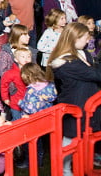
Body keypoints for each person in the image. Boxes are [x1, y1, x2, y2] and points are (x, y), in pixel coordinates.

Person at [47, 22, 101, 176]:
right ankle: (63, 170)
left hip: (89, 104)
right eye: (85, 37)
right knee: (70, 139)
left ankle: (84, 165)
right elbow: (96, 74)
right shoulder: (66, 63)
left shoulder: (83, 54)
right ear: (74, 38)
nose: (87, 40)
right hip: (76, 106)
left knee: (85, 138)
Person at [0, 47, 31, 121]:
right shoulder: (11, 73)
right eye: (23, 57)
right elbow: (4, 85)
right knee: (17, 120)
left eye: (28, 56)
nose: (26, 58)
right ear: (16, 60)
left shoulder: (33, 70)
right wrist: (5, 98)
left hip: (30, 103)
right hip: (16, 103)